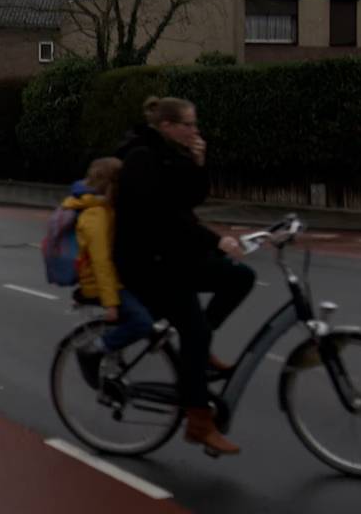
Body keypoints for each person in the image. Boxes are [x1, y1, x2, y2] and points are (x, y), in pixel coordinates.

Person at [114, 96, 256, 456]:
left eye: (195, 124)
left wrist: (198, 163)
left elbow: (191, 200)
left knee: (240, 277)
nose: (195, 130)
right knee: (192, 330)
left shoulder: (172, 154)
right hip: (146, 264)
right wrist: (216, 240)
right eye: (189, 124)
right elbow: (164, 216)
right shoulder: (142, 158)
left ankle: (203, 345)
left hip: (172, 257)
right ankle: (198, 423)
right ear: (167, 127)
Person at [68, 158, 154, 386]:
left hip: (111, 280)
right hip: (98, 285)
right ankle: (94, 351)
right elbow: (101, 262)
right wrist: (110, 303)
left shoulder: (105, 209)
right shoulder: (95, 216)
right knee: (142, 322)